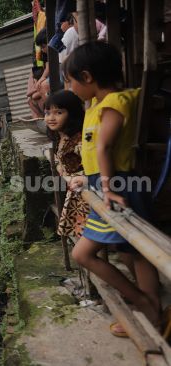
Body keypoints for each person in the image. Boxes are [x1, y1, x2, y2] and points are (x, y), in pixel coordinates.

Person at [65, 42, 160, 333]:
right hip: (105, 184)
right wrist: (88, 178)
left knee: (100, 253)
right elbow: (95, 152)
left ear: (87, 76)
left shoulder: (114, 104)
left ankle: (147, 305)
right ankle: (149, 307)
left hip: (119, 185)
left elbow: (105, 148)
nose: (70, 87)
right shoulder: (95, 105)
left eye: (70, 81)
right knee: (130, 251)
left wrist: (105, 187)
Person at [44, 90, 89, 238]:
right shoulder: (61, 137)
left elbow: (93, 166)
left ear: (72, 113)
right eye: (47, 113)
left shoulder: (79, 140)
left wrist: (83, 179)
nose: (51, 118)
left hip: (86, 195)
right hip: (75, 194)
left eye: (58, 112)